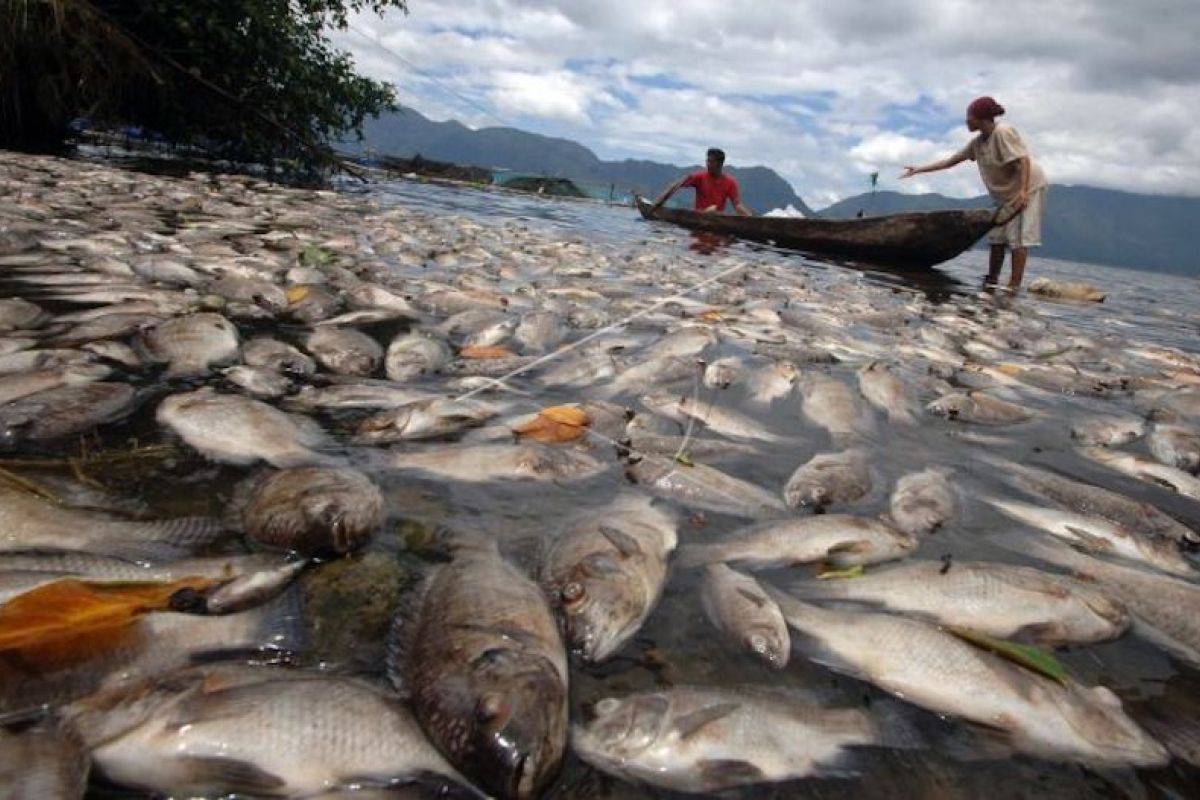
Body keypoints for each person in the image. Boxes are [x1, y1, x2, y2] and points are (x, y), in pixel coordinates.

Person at [900, 97, 1047, 290]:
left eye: (969, 117)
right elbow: (951, 161)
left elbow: (1023, 160)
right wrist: (919, 169)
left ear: (983, 118)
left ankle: (1013, 286)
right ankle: (992, 280)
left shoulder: (1003, 132)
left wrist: (1023, 192)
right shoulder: (977, 143)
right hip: (1005, 194)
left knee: (1017, 238)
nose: (967, 121)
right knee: (996, 236)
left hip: (1029, 186)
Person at [651, 148, 753, 216]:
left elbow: (737, 205)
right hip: (700, 216)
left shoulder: (730, 183)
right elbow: (676, 185)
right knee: (710, 210)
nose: (708, 164)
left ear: (720, 164)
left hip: (715, 218)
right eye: (707, 161)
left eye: (711, 162)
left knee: (714, 210)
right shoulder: (699, 177)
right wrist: (658, 203)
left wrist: (751, 219)